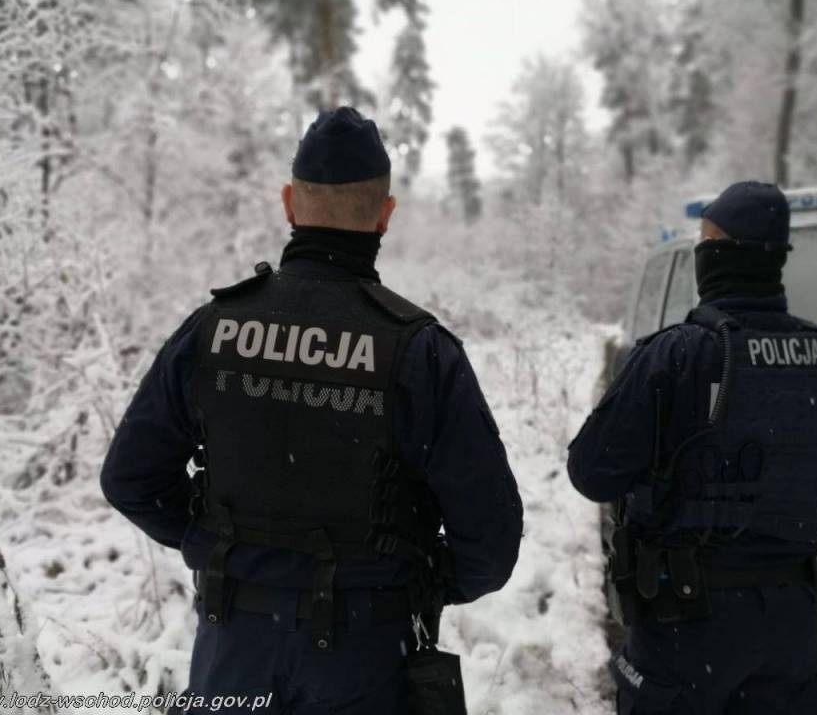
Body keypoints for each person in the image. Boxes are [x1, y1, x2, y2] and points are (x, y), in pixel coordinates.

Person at [100, 106, 523, 714]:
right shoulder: (419, 351)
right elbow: (490, 541)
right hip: (366, 655)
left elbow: (129, 480)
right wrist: (414, 580)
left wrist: (218, 546)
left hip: (232, 646)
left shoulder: (213, 331)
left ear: (289, 205)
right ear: (385, 213)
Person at [567, 181, 817, 715]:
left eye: (705, 240)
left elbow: (592, 474)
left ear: (716, 252)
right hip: (788, 627)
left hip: (683, 624)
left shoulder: (674, 356)